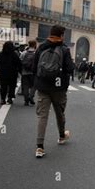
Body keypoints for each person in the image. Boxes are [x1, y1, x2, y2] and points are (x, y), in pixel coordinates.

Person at [33, 25, 74, 158]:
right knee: (59, 113)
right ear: (61, 35)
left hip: (43, 87)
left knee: (42, 117)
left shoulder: (41, 47)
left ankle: (39, 147)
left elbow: (34, 67)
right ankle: (62, 136)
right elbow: (70, 69)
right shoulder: (64, 49)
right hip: (59, 88)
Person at [20, 40, 37, 106]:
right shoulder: (36, 53)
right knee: (34, 85)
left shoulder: (24, 53)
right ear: (35, 45)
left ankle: (26, 101)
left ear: (29, 44)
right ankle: (31, 96)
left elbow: (20, 61)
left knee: (25, 86)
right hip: (33, 72)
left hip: (25, 72)